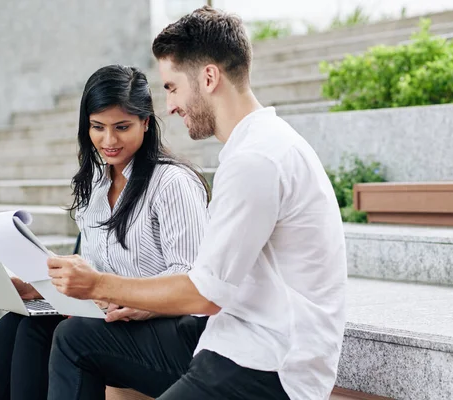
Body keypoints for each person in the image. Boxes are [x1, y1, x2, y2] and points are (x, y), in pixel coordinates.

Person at [46, 6, 347, 400]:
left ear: (208, 77)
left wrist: (100, 284)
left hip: (271, 365)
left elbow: (204, 293)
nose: (169, 105)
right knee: (75, 339)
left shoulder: (257, 159)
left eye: (172, 87)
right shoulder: (253, 147)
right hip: (227, 337)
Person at [0, 65, 210, 400]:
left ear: (145, 122)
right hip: (114, 319)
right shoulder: (96, 186)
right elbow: (95, 274)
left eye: (122, 127)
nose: (108, 140)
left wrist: (135, 300)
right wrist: (38, 287)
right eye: (98, 127)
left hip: (169, 326)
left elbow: (193, 276)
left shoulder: (171, 183)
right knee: (18, 325)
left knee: (71, 333)